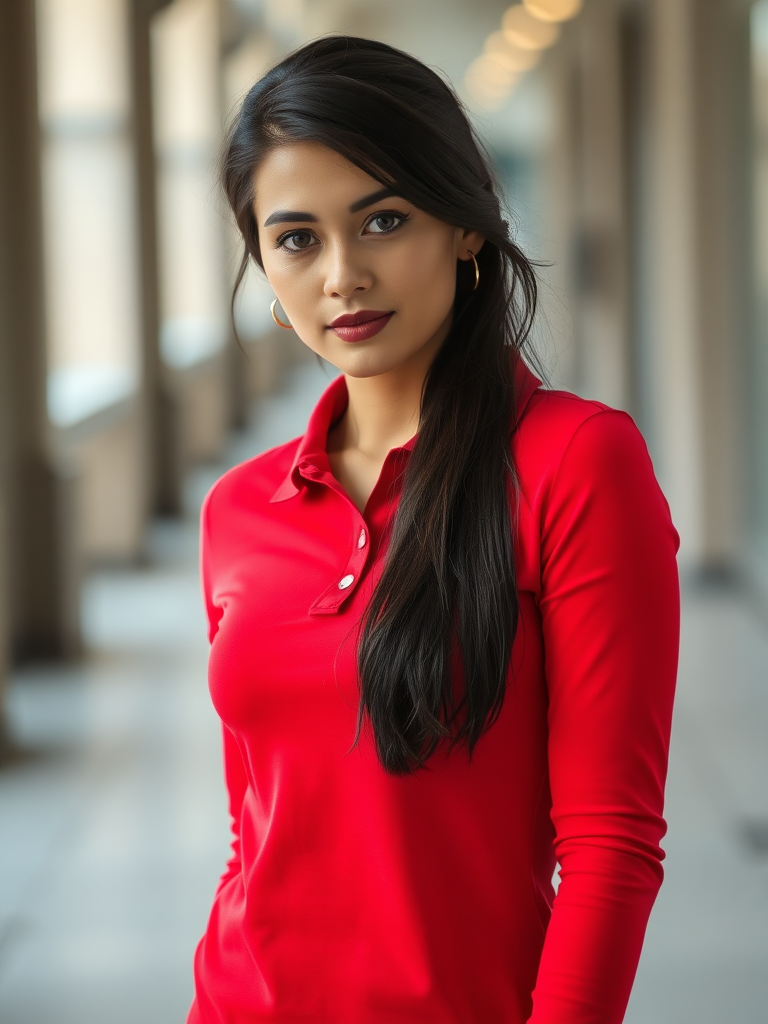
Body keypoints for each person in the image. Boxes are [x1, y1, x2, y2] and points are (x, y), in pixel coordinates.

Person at [187, 34, 680, 1024]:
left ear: (465, 226)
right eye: (296, 239)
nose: (342, 276)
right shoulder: (237, 508)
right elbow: (256, 832)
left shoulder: (577, 463)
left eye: (382, 220)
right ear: (266, 277)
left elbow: (610, 848)